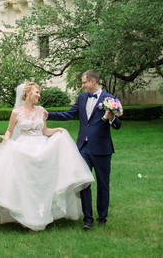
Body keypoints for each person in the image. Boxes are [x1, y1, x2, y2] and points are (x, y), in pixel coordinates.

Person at [0, 81, 94, 231]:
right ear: (27, 94)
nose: (39, 95)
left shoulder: (41, 111)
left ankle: (42, 212)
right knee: (24, 181)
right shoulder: (16, 113)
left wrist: (59, 129)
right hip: (24, 148)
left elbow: (45, 132)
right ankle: (24, 213)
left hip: (41, 148)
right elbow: (9, 131)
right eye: (37, 92)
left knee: (41, 182)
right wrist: (6, 138)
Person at [45, 69, 121, 230]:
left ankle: (102, 217)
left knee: (103, 184)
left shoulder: (110, 99)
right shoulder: (81, 98)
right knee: (84, 182)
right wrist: (47, 115)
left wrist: (111, 117)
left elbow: (118, 125)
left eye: (84, 82)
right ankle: (88, 219)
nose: (82, 85)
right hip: (83, 148)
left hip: (102, 148)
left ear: (93, 81)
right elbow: (68, 114)